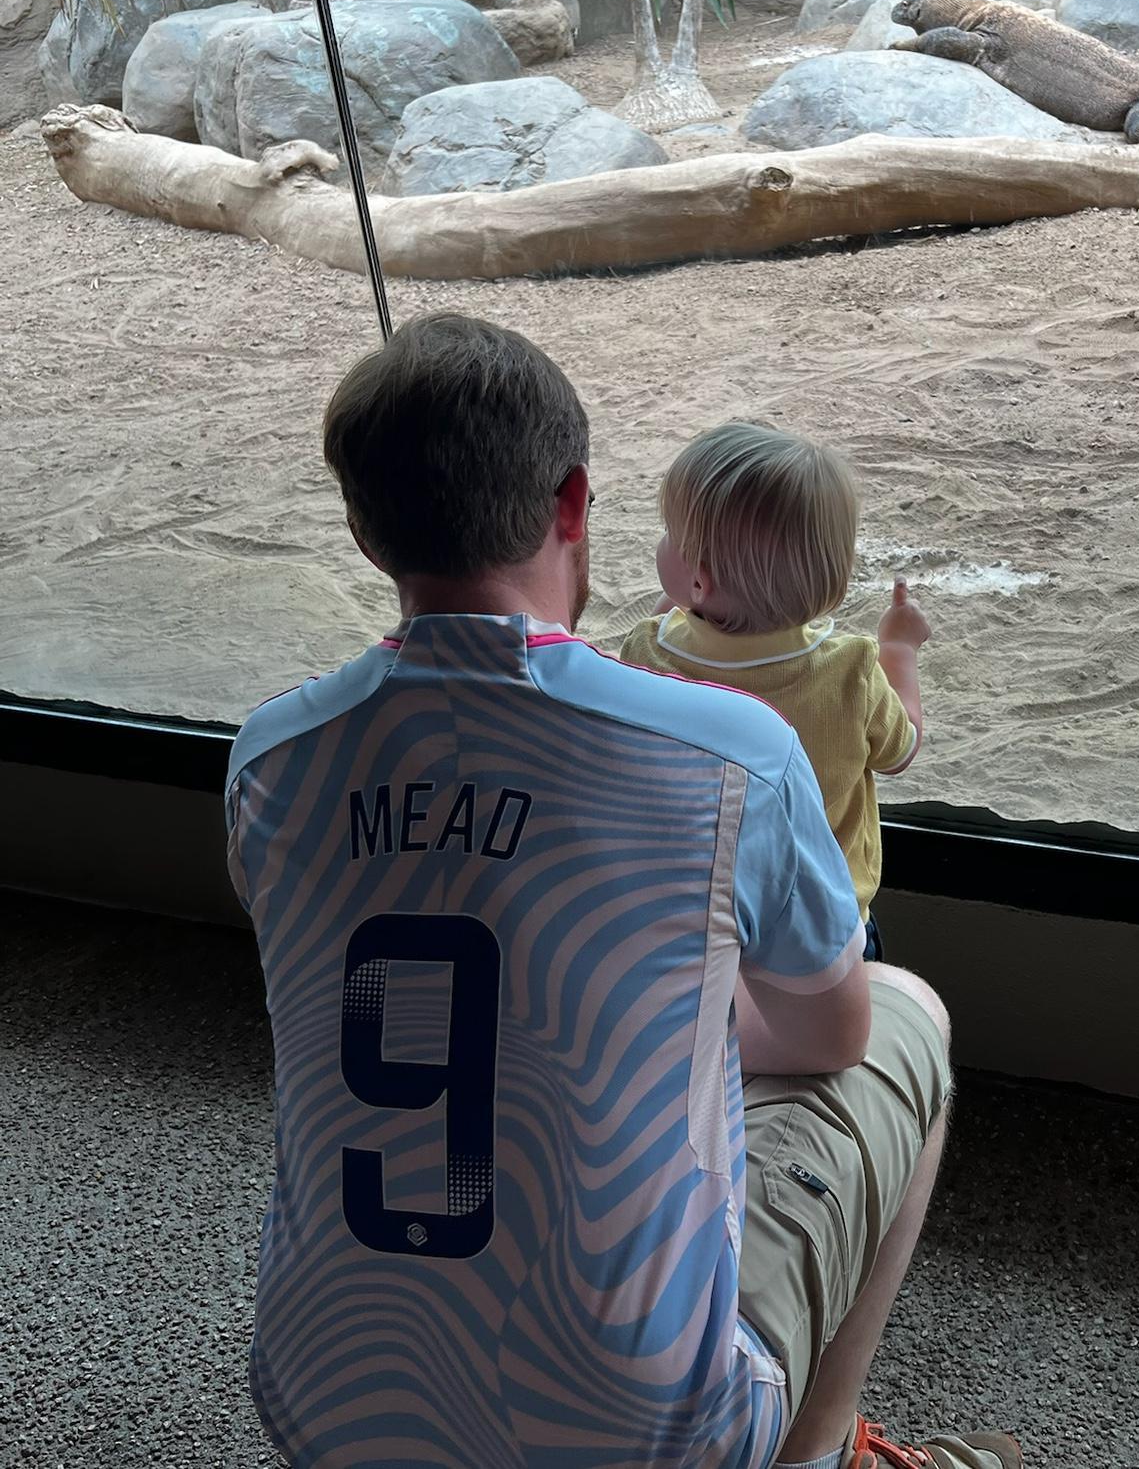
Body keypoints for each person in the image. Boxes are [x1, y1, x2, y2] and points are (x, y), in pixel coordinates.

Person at [224, 312, 1022, 1469]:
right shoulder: (730, 749)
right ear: (572, 504)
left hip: (319, 1402)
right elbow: (828, 1033)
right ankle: (818, 1452)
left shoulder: (271, 756)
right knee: (904, 1015)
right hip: (642, 1438)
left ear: (361, 528)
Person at [619, 424, 930, 963]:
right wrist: (898, 650)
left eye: (669, 532)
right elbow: (900, 751)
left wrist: (682, 615)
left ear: (699, 583)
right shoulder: (853, 668)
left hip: (701, 917)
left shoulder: (648, 653)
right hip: (824, 930)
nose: (661, 542)